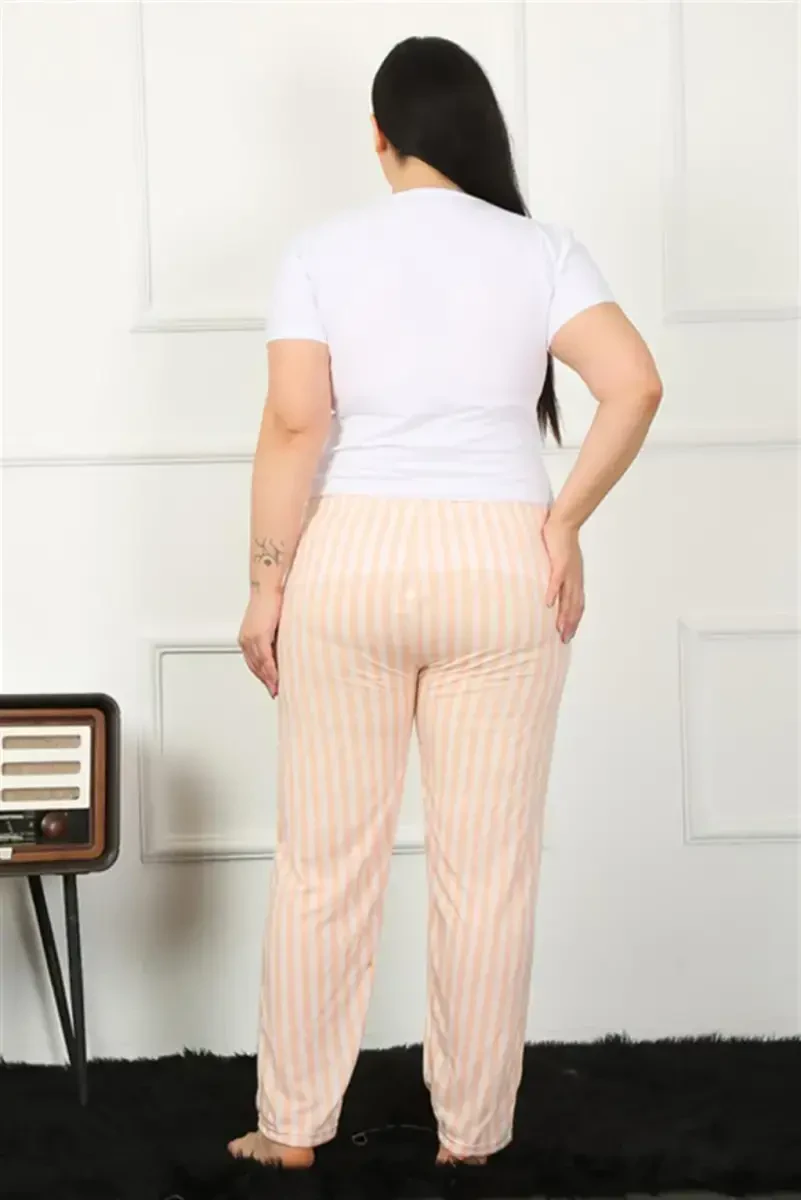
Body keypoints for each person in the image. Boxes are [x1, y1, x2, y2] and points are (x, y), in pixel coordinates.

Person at [231, 34, 662, 1171]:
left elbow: (295, 423)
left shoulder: (320, 251)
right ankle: (470, 1139)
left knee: (323, 864)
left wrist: (266, 585)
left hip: (348, 561)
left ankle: (290, 1128)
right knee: (487, 874)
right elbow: (633, 385)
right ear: (474, 131)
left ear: (380, 134)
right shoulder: (543, 250)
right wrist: (563, 523)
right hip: (503, 564)